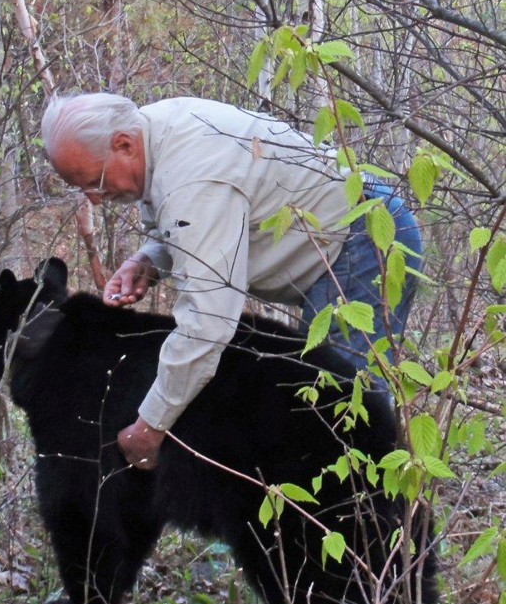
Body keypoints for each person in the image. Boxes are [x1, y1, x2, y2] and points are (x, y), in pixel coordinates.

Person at [41, 93, 421, 470]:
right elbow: (194, 217)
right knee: (321, 408)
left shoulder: (191, 175)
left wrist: (151, 425)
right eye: (81, 188)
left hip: (366, 238)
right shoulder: (152, 131)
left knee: (345, 414)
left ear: (122, 144)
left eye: (95, 181)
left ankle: (384, 523)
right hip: (345, 229)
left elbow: (208, 322)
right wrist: (150, 258)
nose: (94, 197)